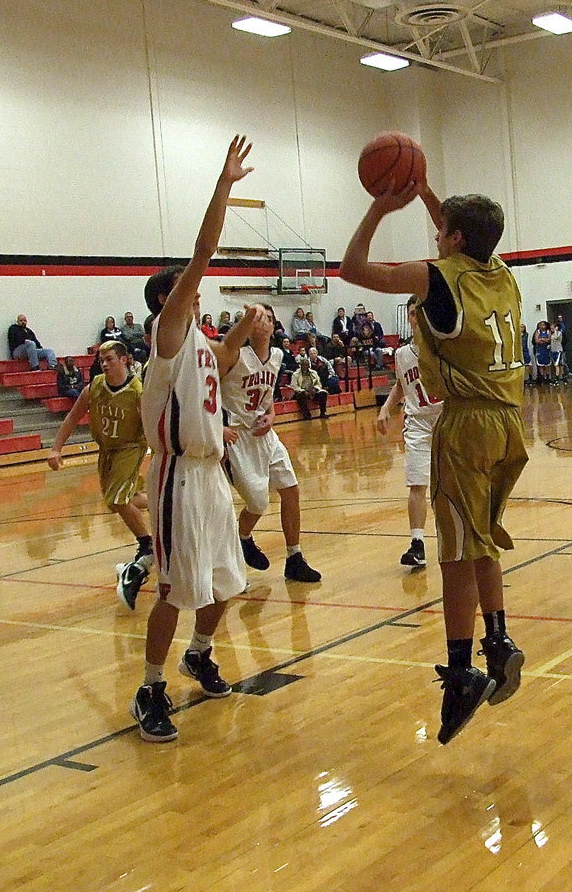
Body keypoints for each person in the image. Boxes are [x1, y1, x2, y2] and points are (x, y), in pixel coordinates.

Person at [340, 181, 527, 745]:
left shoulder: (436, 275)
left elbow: (352, 268)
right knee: (482, 537)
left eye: (440, 229)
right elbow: (465, 239)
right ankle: (497, 639)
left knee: (454, 551)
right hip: (509, 423)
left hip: (466, 423)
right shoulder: (502, 273)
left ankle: (461, 670)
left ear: (454, 239)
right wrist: (424, 191)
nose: (434, 234)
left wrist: (380, 206)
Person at [131, 135, 263, 743]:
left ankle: (200, 653)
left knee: (225, 582)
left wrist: (247, 322)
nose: (198, 289)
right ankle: (150, 687)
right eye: (187, 286)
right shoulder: (168, 334)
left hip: (212, 474)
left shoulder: (204, 348)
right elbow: (204, 250)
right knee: (173, 589)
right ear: (170, 299)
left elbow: (231, 352)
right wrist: (225, 184)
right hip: (177, 476)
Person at [48, 340, 155, 609]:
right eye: (101, 359)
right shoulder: (94, 387)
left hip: (131, 447)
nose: (104, 363)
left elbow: (151, 426)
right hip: (106, 449)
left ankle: (147, 544)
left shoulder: (137, 391)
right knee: (120, 500)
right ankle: (160, 502)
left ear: (124, 360)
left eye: (109, 358)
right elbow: (72, 417)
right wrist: (56, 449)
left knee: (118, 499)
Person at [224, 302, 322, 584]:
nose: (262, 323)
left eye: (267, 318)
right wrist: (217, 427)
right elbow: (210, 390)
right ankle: (241, 539)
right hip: (238, 436)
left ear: (274, 325)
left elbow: (267, 398)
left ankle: (294, 557)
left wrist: (272, 415)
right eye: (256, 318)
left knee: (290, 490)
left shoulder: (278, 355)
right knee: (256, 502)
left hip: (265, 434)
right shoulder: (234, 355)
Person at [376, 298, 444, 569]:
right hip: (417, 422)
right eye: (412, 313)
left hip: (445, 417)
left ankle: (457, 535)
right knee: (417, 483)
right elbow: (402, 385)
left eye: (420, 313)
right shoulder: (402, 354)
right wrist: (386, 408)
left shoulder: (442, 348)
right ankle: (417, 543)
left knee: (449, 484)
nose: (415, 318)